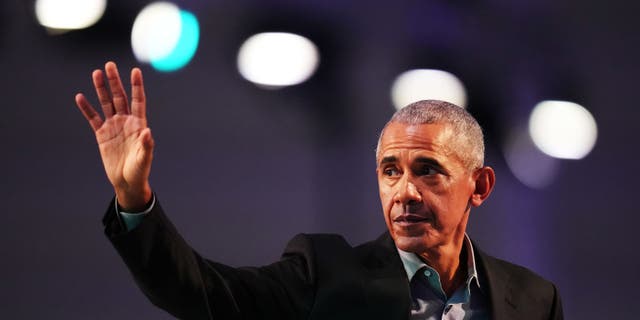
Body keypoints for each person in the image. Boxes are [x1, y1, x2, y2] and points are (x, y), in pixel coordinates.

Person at [75, 62, 563, 320]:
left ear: (479, 185)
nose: (405, 192)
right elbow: (201, 293)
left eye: (428, 171)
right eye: (390, 171)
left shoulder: (534, 301)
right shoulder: (325, 275)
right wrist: (134, 199)